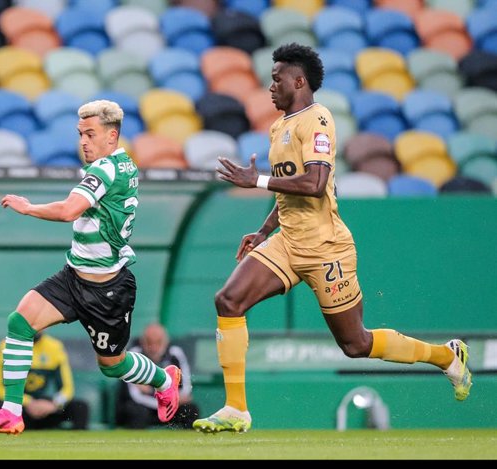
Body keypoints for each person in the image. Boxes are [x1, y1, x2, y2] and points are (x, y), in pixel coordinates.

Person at [192, 43, 472, 434]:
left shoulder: (318, 120)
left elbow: (315, 182)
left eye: (276, 79)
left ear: (299, 81)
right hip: (289, 242)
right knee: (228, 300)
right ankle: (236, 408)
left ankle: (446, 356)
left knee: (355, 344)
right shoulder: (279, 127)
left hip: (326, 249)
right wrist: (264, 230)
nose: (270, 87)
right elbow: (290, 191)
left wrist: (253, 180)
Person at [0, 100, 181, 434]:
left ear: (112, 136)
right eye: (80, 134)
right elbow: (78, 207)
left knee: (112, 366)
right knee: (21, 321)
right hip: (74, 277)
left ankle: (162, 378)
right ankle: (11, 412)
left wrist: (28, 208)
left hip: (107, 290)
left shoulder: (105, 169)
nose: (83, 141)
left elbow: (69, 210)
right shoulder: (121, 163)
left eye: (90, 134)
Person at [0, 331, 89, 430]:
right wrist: (28, 402)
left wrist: (54, 404)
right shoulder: (6, 346)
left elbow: (67, 388)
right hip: (19, 405)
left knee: (80, 407)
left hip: (45, 407)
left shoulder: (54, 346)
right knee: (1, 409)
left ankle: (77, 442)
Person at [116, 323, 199, 429]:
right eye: (149, 342)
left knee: (191, 410)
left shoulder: (176, 354)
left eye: (158, 342)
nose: (154, 348)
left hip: (171, 405)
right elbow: (135, 395)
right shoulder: (133, 356)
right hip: (144, 406)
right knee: (135, 411)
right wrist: (161, 404)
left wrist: (157, 396)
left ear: (166, 341)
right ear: (142, 341)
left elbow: (186, 388)